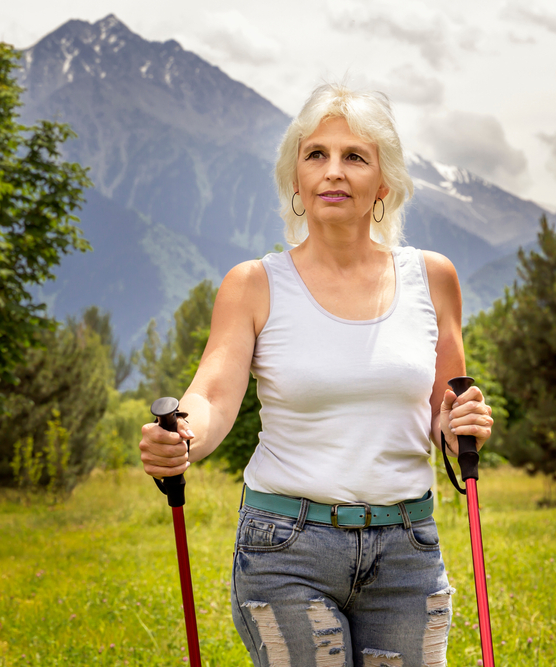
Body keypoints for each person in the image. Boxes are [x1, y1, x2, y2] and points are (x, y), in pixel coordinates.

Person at [139, 83, 493, 667]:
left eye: (354, 156)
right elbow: (212, 396)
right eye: (316, 155)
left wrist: (462, 423)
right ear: (296, 180)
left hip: (409, 548)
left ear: (383, 184)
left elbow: (445, 411)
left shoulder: (433, 278)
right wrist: (182, 435)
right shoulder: (254, 284)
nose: (334, 171)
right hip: (286, 548)